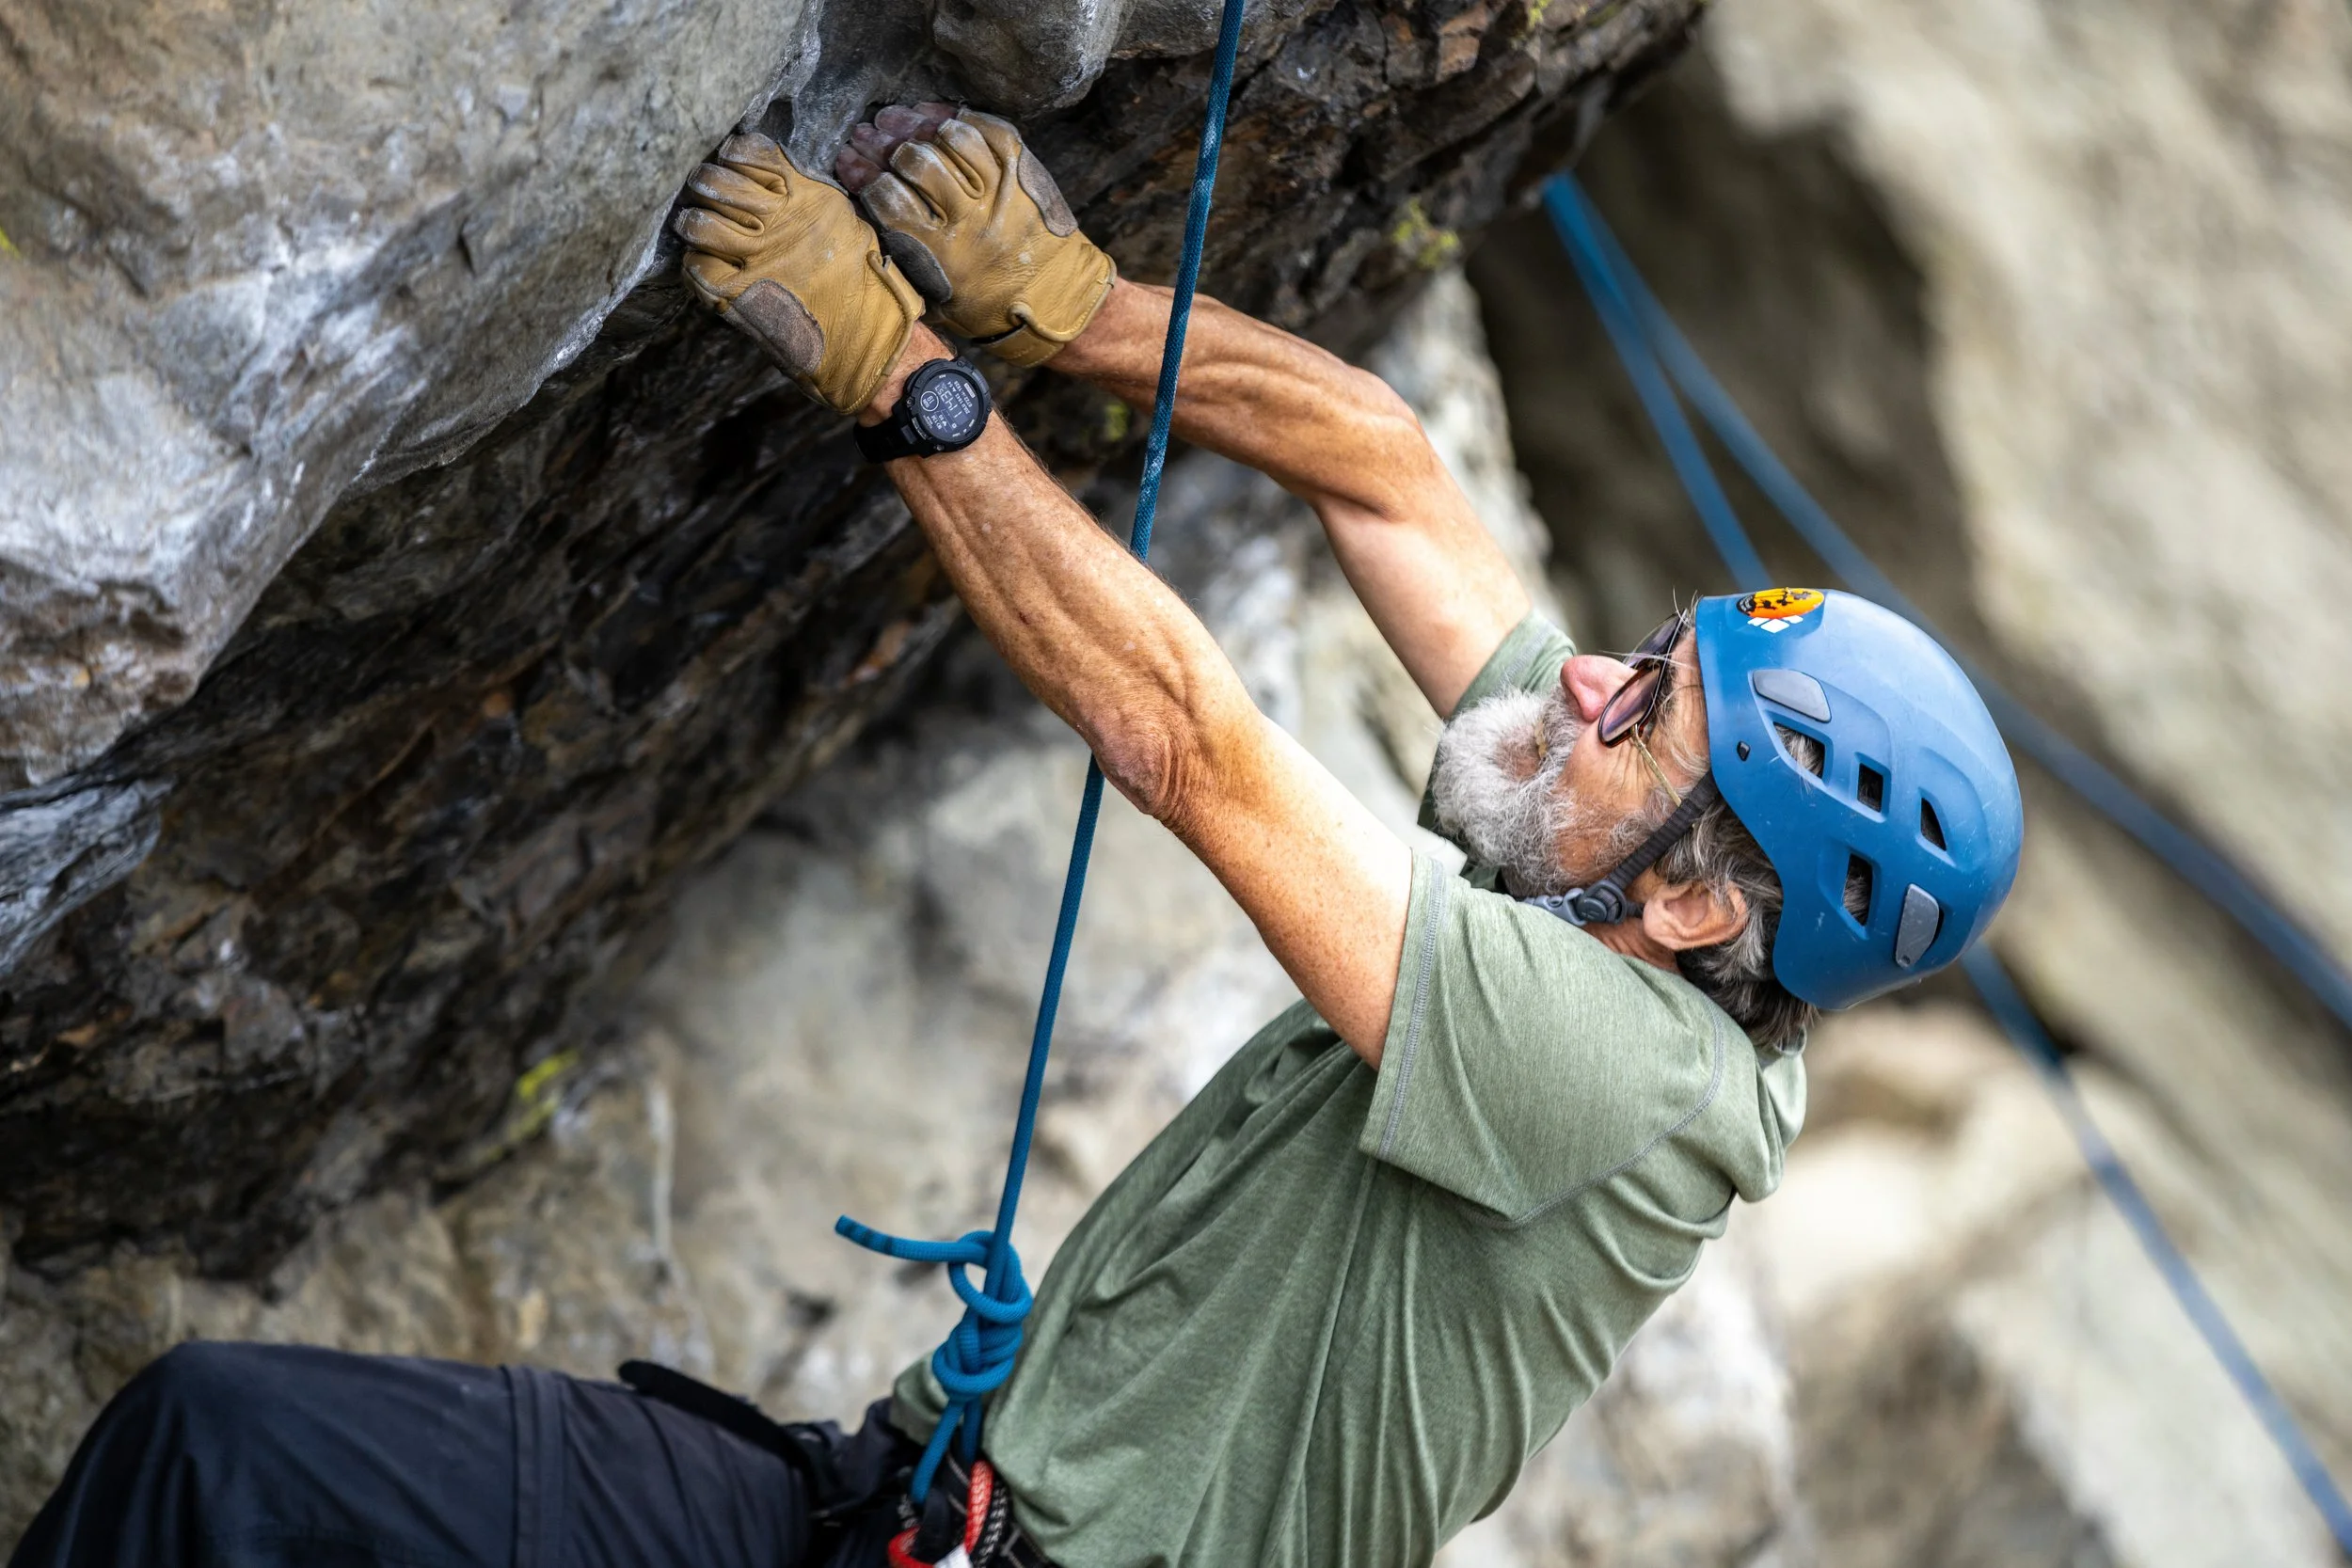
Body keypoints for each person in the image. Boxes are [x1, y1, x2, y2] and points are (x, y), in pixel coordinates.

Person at [11, 105, 2024, 1568]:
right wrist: (1078, 309)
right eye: (1641, 649)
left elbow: (1188, 742)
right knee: (224, 1452)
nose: (1584, 676)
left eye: (1641, 704)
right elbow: (1396, 480)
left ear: (1687, 897)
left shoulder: (1609, 1071)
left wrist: (913, 384)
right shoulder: (1606, 878)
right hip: (892, 1495)